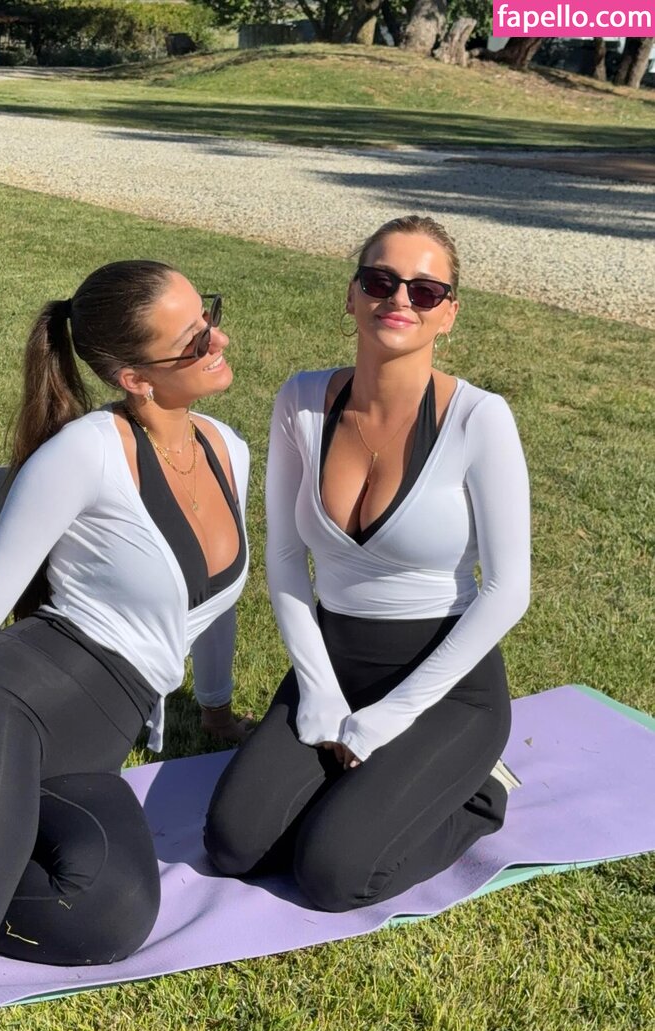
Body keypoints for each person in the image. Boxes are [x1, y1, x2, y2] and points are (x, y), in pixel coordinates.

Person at [0, 260, 250, 996]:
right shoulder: (85, 454)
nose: (217, 339)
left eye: (208, 316)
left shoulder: (229, 450)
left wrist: (215, 708)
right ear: (134, 378)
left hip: (86, 745)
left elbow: (213, 602)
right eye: (193, 340)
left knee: (107, 918)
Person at [205, 216, 530, 912]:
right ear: (352, 295)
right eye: (380, 281)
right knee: (234, 846)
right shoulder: (300, 401)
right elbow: (285, 557)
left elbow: (508, 590)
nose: (399, 299)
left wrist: (391, 717)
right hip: (334, 665)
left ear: (448, 314)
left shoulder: (480, 418)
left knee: (333, 874)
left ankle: (480, 791)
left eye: (425, 290)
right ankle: (365, 780)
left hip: (445, 687)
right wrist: (318, 690)